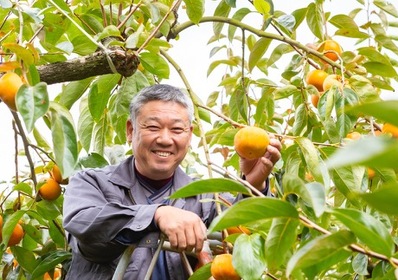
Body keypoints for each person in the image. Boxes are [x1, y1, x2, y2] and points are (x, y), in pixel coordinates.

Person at [62, 84, 281, 279]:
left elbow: (243, 231)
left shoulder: (205, 197)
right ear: (131, 130)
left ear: (190, 135)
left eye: (177, 129)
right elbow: (83, 222)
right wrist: (157, 215)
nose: (165, 139)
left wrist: (253, 185)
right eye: (153, 127)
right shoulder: (92, 182)